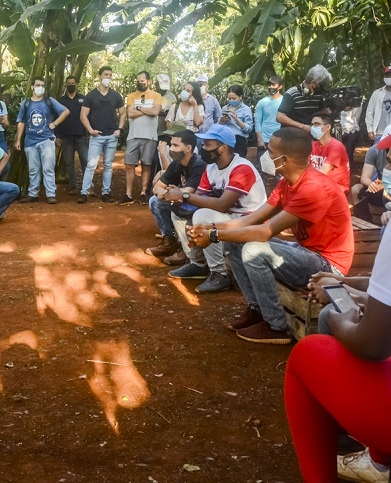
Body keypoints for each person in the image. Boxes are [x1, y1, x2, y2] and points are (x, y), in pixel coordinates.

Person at [284, 84, 391, 483]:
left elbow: (375, 344)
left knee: (307, 357)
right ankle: (376, 460)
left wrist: (341, 319)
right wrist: (361, 290)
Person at [185, 127, 354, 345]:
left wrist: (214, 235)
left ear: (283, 159)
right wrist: (210, 228)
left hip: (327, 266)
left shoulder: (313, 188)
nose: (266, 155)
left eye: (271, 151)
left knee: (253, 249)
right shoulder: (287, 182)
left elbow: (265, 231)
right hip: (305, 253)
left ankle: (276, 326)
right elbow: (251, 220)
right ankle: (256, 310)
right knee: (234, 243)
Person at [168, 124, 267, 294]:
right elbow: (199, 197)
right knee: (180, 212)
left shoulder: (242, 168)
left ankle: (219, 273)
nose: (203, 148)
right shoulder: (211, 168)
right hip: (227, 217)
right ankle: (198, 263)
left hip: (249, 220)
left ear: (223, 148)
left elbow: (222, 204)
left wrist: (184, 196)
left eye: (207, 144)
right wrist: (177, 199)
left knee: (202, 215)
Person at [145, 130, 206, 263]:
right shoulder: (177, 163)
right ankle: (170, 241)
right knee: (155, 201)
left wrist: (173, 193)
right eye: (171, 145)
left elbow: (189, 192)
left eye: (176, 145)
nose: (171, 149)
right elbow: (157, 187)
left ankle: (187, 249)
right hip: (182, 198)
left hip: (200, 205)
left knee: (178, 204)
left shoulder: (199, 164)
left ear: (188, 148)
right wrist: (168, 194)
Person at [15, 77, 70, 204]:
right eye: (38, 85)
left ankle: (51, 194)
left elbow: (66, 111)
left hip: (46, 139)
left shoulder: (49, 101)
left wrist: (54, 124)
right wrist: (18, 139)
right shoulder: (26, 103)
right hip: (30, 141)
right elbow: (21, 122)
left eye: (43, 85)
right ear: (32, 87)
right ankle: (33, 194)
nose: (40, 87)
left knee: (48, 168)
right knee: (33, 169)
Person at [78, 66, 125, 204]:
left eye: (110, 75)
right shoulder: (91, 95)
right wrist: (90, 130)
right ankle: (84, 192)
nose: (108, 77)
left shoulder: (116, 95)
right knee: (91, 165)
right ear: (99, 76)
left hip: (112, 136)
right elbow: (83, 115)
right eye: (106, 75)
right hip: (96, 136)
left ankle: (106, 192)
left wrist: (120, 129)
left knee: (108, 165)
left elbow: (123, 113)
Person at [119, 71, 162, 205]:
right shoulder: (131, 96)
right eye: (138, 81)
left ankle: (144, 192)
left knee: (147, 165)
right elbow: (130, 113)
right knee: (129, 165)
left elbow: (156, 112)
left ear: (148, 81)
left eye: (142, 81)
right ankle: (128, 194)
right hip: (133, 135)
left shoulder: (156, 95)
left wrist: (138, 108)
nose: (140, 83)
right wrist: (146, 110)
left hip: (150, 136)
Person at [351, 123, 391, 221]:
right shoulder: (375, 151)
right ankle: (366, 222)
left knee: (389, 196)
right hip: (379, 187)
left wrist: (385, 186)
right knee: (356, 190)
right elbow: (364, 177)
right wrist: (372, 185)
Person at [56, 75, 89, 194]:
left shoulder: (83, 99)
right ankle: (72, 186)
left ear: (77, 84)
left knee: (85, 160)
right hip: (65, 136)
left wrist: (88, 132)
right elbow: (56, 118)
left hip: (81, 135)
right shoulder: (61, 101)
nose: (71, 85)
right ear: (66, 85)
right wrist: (57, 136)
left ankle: (87, 186)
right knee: (69, 162)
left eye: (73, 83)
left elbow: (88, 116)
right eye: (68, 83)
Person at [277, 65, 332, 132]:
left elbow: (321, 112)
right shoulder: (292, 93)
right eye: (320, 84)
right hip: (292, 137)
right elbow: (280, 117)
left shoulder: (318, 95)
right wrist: (302, 126)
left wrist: (325, 112)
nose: (321, 87)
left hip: (311, 136)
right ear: (312, 82)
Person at [309, 112, 350, 193]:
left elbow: (323, 171)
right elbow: (304, 166)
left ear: (327, 127)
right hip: (317, 184)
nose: (313, 127)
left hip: (337, 188)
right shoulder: (312, 145)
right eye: (312, 125)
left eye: (316, 124)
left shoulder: (336, 146)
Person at [365, 64, 391, 144]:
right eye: (387, 75)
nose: (389, 77)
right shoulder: (377, 93)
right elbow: (370, 112)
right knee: (379, 155)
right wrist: (370, 130)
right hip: (379, 133)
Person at [219, 84, 253, 157]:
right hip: (225, 139)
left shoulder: (246, 109)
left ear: (240, 97)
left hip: (239, 140)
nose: (231, 100)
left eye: (234, 98)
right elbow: (218, 127)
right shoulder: (224, 108)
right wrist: (222, 121)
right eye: (229, 98)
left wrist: (237, 120)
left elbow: (249, 129)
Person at [254, 76, 283, 159]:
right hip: (265, 140)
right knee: (262, 168)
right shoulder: (262, 102)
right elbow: (258, 121)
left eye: (273, 85)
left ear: (280, 86)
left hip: (279, 140)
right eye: (270, 85)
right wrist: (259, 139)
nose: (271, 87)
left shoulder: (284, 101)